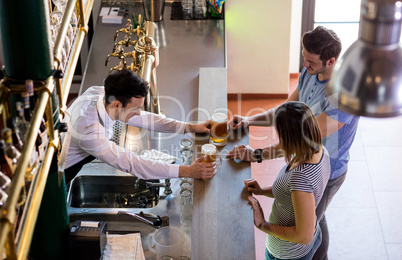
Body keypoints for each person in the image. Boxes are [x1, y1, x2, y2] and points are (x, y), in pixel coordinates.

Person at [227, 26, 359, 260]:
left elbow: (301, 138)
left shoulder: (345, 95)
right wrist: (250, 121)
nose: (305, 66)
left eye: (311, 62)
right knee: (315, 215)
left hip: (326, 170)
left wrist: (256, 155)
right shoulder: (310, 72)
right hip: (308, 160)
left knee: (310, 223)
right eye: (304, 59)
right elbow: (286, 111)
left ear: (331, 61)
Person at [62, 69, 216, 184]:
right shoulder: (89, 131)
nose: (138, 113)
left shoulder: (102, 94)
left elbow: (145, 119)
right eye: (135, 108)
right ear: (117, 105)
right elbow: (133, 164)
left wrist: (191, 127)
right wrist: (188, 171)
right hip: (58, 171)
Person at [245, 101, 331, 260]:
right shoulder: (319, 151)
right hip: (306, 241)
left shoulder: (301, 177)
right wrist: (261, 190)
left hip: (287, 254)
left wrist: (262, 224)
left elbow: (303, 235)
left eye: (281, 134)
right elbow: (291, 194)